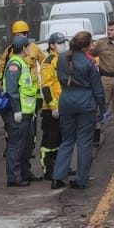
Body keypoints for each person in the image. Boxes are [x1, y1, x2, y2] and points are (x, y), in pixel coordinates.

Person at [52, 31, 106, 190]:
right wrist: (102, 109)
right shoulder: (89, 63)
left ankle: (58, 176)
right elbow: (98, 90)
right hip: (85, 103)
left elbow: (60, 78)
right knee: (84, 142)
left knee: (67, 140)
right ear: (87, 46)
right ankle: (81, 179)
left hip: (67, 101)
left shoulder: (62, 58)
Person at [3, 34, 40, 187]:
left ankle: (25, 172)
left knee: (26, 145)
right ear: (24, 48)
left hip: (27, 112)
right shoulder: (14, 64)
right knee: (16, 145)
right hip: (18, 113)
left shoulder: (22, 63)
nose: (30, 49)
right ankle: (14, 177)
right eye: (28, 47)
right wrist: (17, 110)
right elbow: (12, 90)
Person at [90, 20, 114, 145]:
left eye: (112, 30)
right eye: (108, 30)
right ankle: (96, 135)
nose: (109, 32)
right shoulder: (101, 43)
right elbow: (88, 54)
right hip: (105, 78)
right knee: (101, 105)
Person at [38, 32, 70, 180]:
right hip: (51, 109)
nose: (63, 44)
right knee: (50, 141)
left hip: (64, 106)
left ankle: (62, 166)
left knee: (63, 140)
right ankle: (48, 169)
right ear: (52, 45)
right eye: (60, 42)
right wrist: (53, 107)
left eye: (64, 42)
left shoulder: (63, 59)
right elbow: (46, 87)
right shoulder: (48, 62)